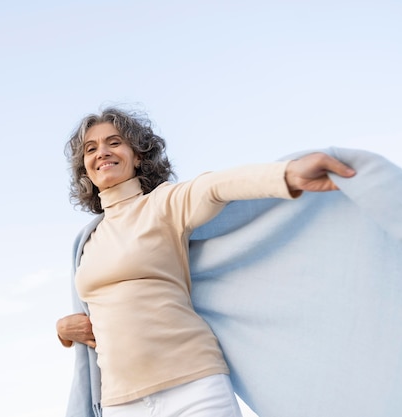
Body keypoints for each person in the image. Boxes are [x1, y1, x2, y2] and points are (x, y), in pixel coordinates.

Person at [56, 106, 356, 417]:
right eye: (91, 149)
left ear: (138, 155)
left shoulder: (164, 204)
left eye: (114, 142)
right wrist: (63, 329)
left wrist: (288, 174)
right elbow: (94, 312)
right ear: (86, 169)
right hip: (121, 403)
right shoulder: (86, 241)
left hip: (193, 389)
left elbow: (215, 187)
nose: (102, 152)